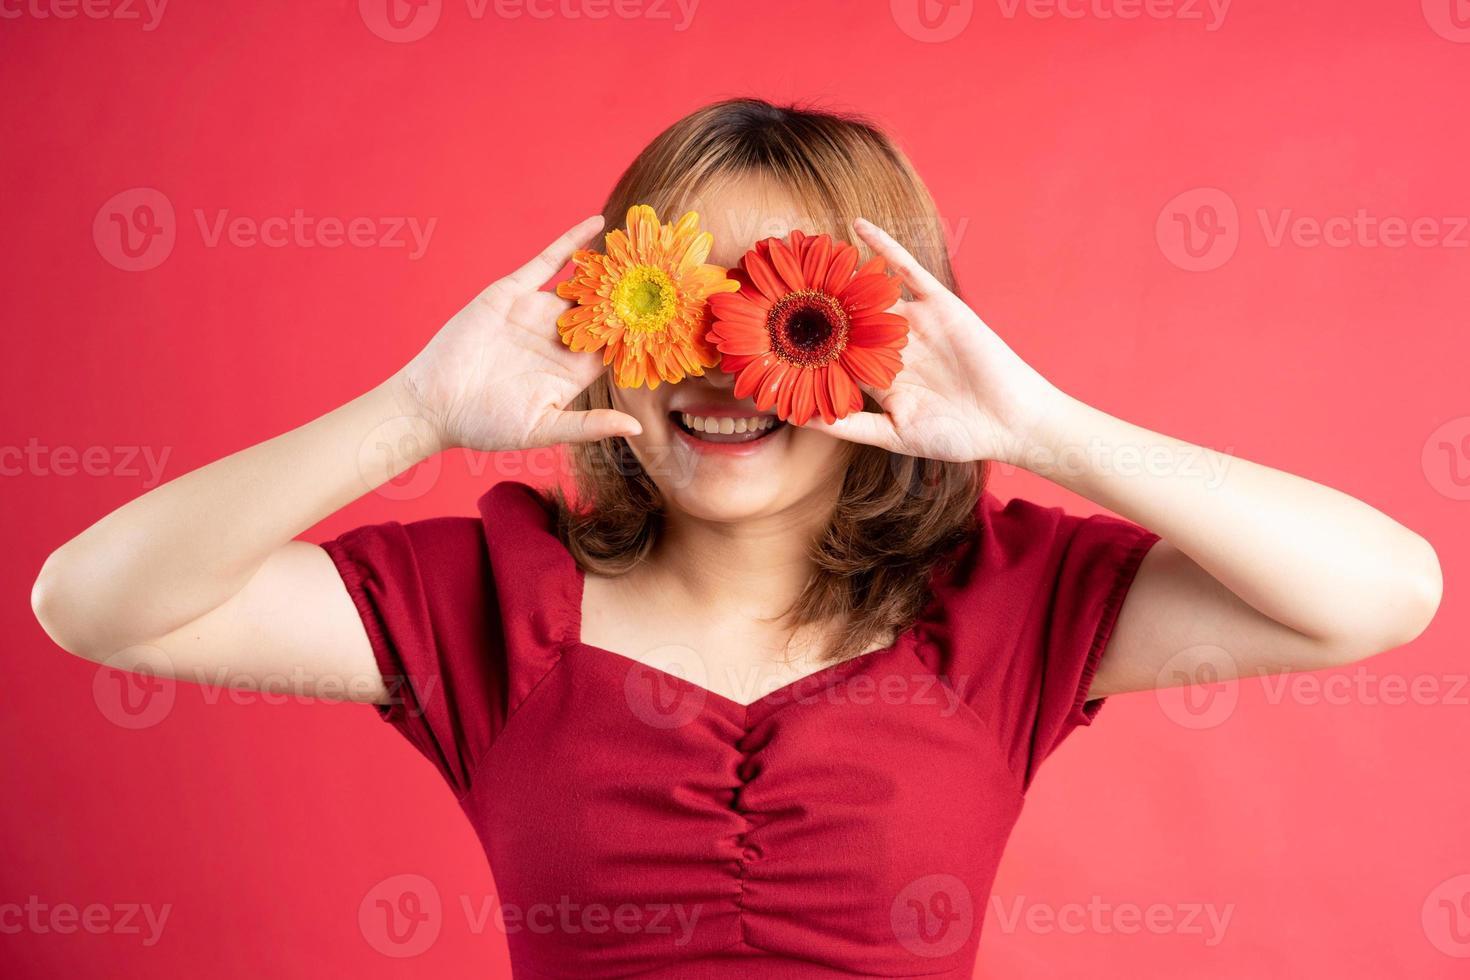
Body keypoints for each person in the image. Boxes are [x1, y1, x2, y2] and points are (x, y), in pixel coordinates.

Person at [31, 99, 1441, 978]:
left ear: (889, 340)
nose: (720, 365)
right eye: (683, 304)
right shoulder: (486, 605)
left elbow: (1379, 593)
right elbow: (95, 606)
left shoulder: (1009, 611)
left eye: (787, 313)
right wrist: (411, 413)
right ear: (611, 316)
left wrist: (1045, 428)